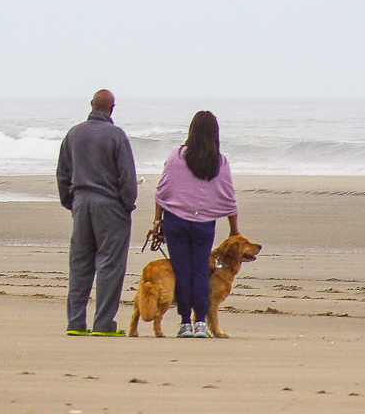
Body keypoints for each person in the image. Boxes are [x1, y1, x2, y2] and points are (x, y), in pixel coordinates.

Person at [150, 110, 239, 338]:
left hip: (175, 222)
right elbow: (228, 197)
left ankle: (184, 324)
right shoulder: (219, 162)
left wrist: (157, 222)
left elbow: (163, 191)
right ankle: (200, 322)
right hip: (204, 224)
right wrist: (233, 228)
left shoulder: (176, 156)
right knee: (199, 271)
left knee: (182, 271)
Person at [57, 88, 138, 336]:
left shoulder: (74, 133)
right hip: (110, 205)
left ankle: (75, 323)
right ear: (112, 108)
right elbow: (128, 178)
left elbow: (62, 173)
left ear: (91, 105)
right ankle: (103, 323)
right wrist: (127, 204)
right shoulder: (116, 135)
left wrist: (71, 202)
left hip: (81, 202)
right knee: (110, 264)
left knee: (80, 263)